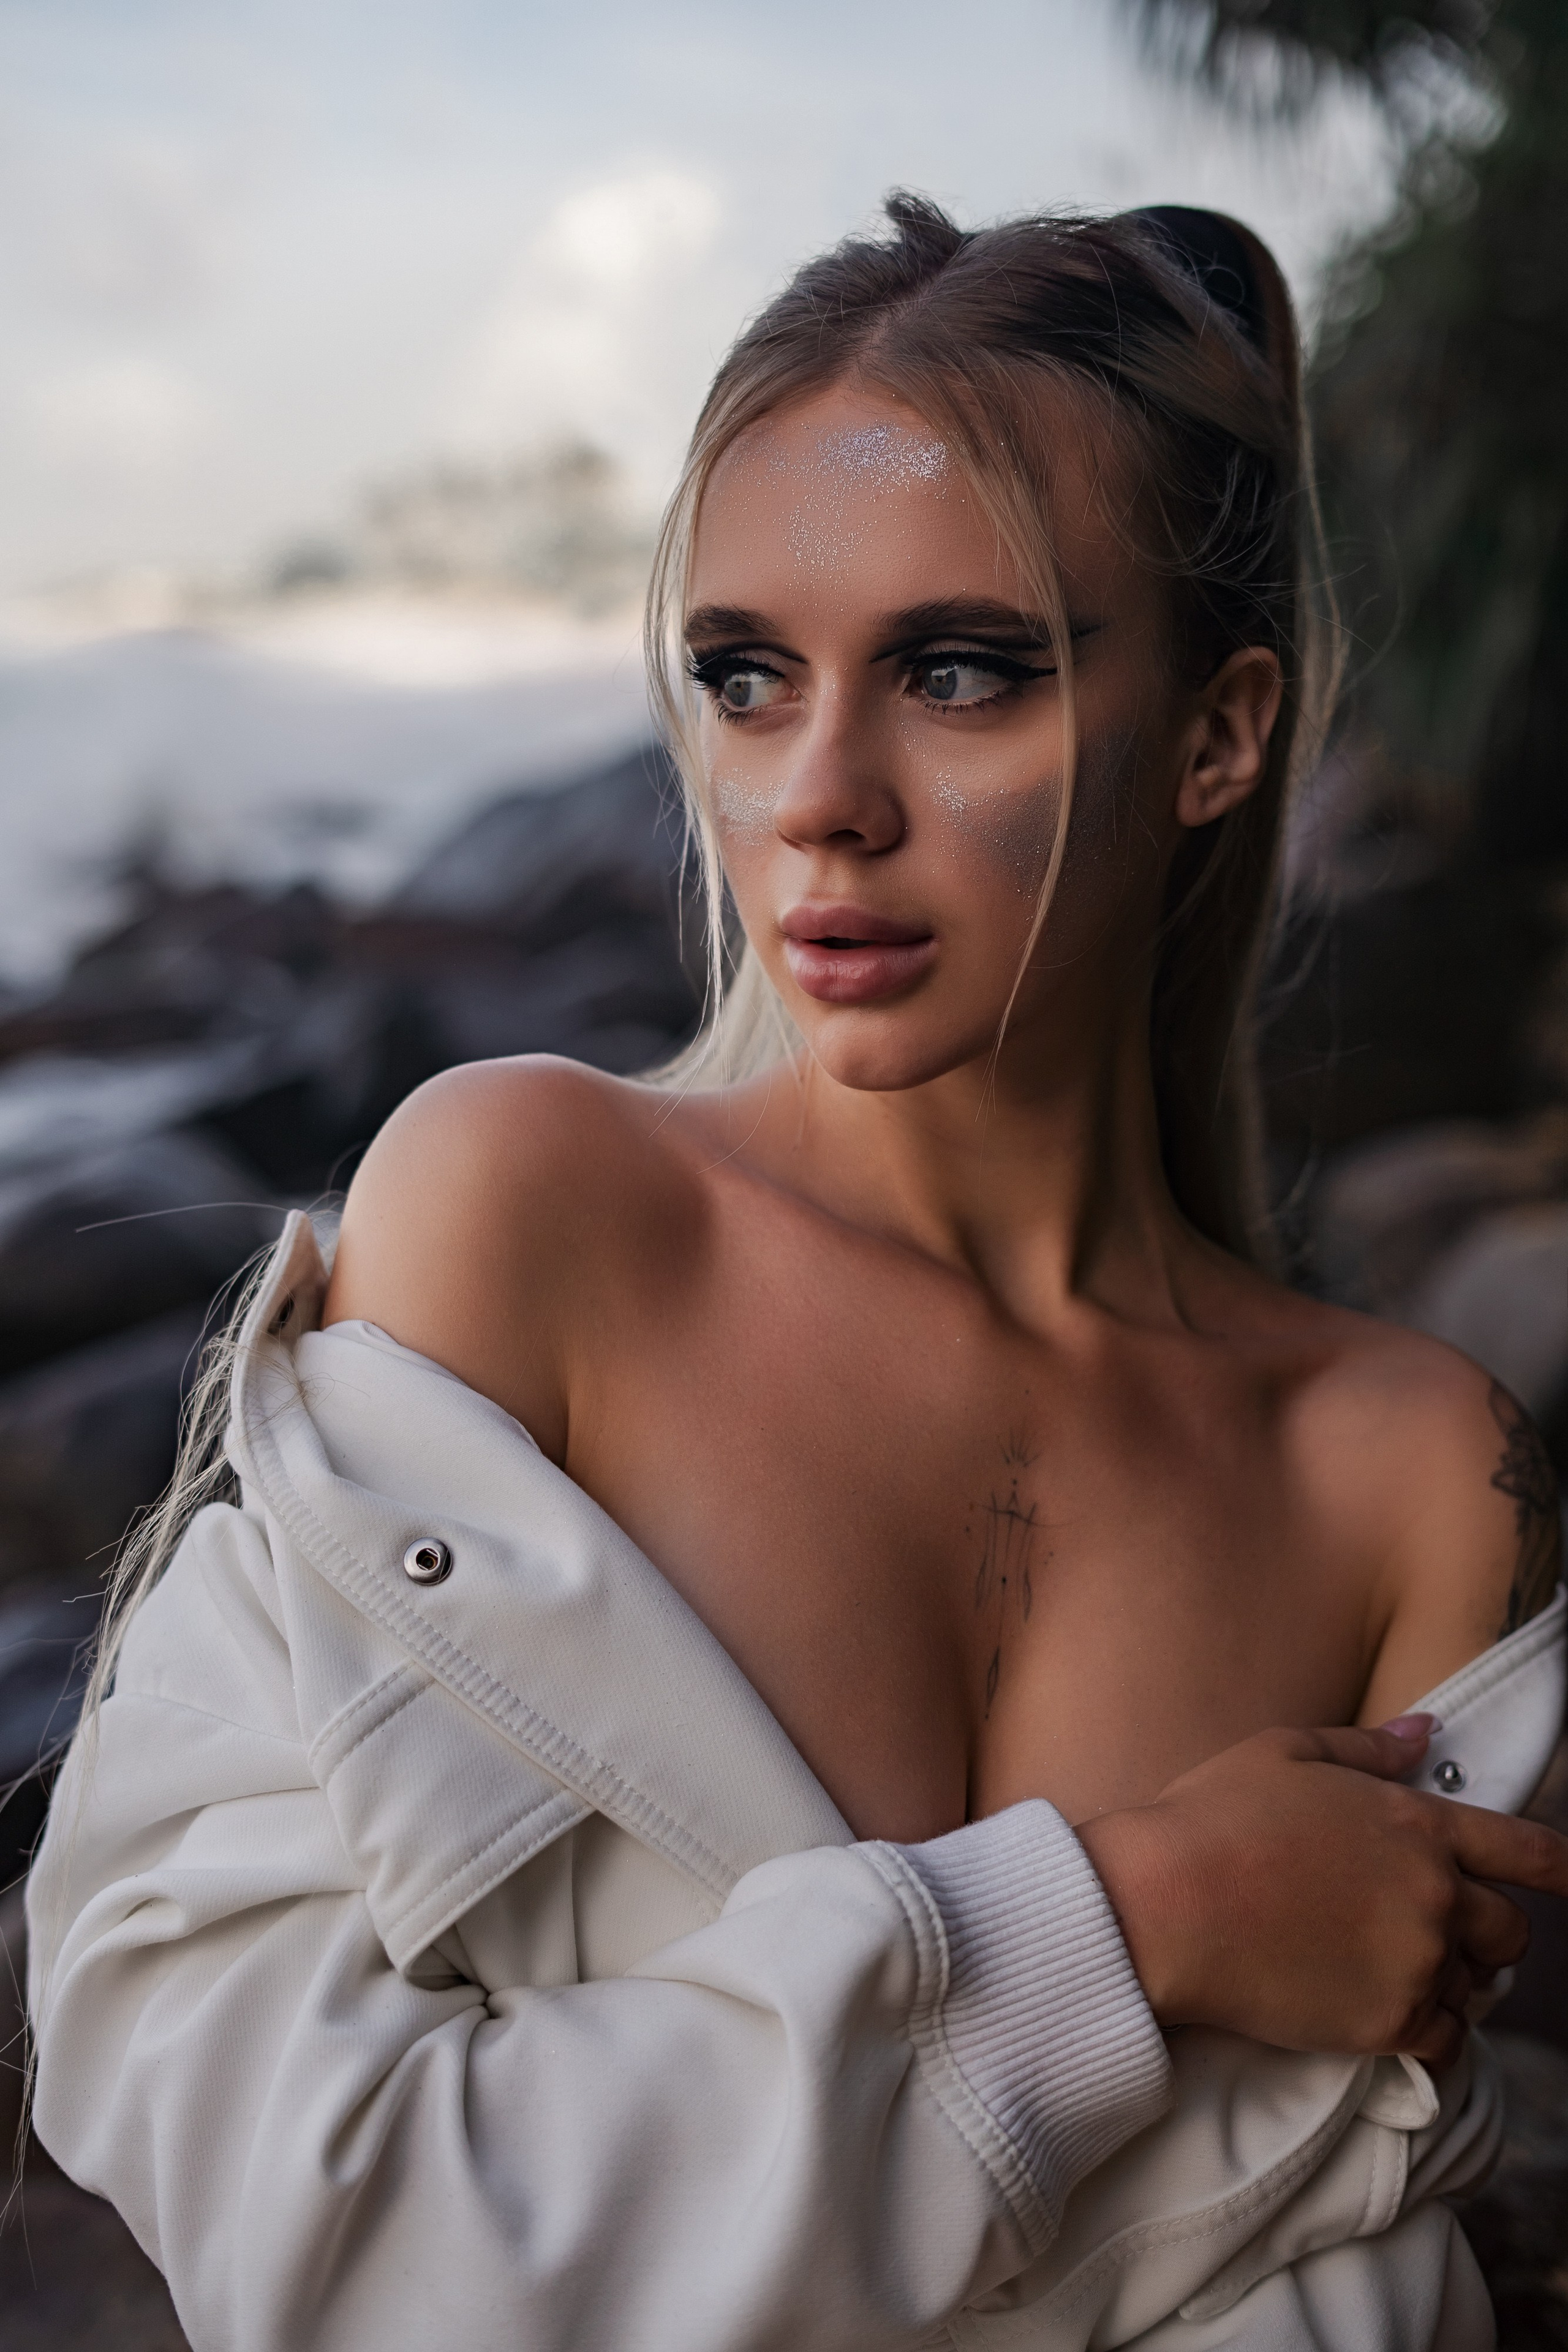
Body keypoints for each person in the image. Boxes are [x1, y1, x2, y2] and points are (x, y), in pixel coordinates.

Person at [26, 197, 1568, 2351]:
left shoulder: (1406, 1477)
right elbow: (301, 2194)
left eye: (961, 672)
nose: (818, 801)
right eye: (749, 675)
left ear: (1223, 737)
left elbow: (1349, 2291)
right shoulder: (527, 1214)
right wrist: (1134, 1926)